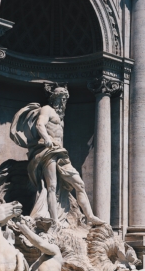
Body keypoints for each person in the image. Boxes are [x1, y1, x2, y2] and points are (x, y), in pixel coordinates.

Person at [9, 85, 104, 226]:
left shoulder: (60, 117)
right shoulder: (47, 109)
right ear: (53, 99)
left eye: (64, 99)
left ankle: (89, 216)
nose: (62, 102)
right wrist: (46, 138)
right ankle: (54, 220)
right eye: (60, 98)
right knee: (51, 186)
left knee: (79, 184)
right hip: (48, 152)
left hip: (60, 153)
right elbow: (40, 124)